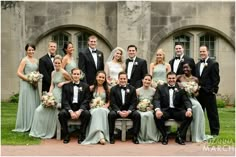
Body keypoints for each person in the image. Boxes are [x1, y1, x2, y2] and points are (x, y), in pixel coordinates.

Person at [29, 55, 71, 139]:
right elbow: (52, 85)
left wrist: (64, 83)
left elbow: (72, 80)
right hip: (53, 93)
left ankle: (52, 131)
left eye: (59, 63)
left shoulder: (64, 72)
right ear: (53, 63)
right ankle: (39, 130)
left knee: (53, 110)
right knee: (38, 110)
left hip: (60, 95)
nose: (57, 64)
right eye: (55, 63)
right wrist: (49, 94)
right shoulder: (53, 72)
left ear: (61, 63)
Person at [153, 72, 192, 145]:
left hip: (177, 110)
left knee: (189, 116)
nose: (171, 80)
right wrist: (158, 110)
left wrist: (189, 110)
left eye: (173, 78)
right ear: (167, 79)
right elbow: (156, 99)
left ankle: (179, 136)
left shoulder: (181, 88)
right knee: (157, 116)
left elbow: (186, 100)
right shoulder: (160, 88)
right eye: (169, 78)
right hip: (165, 110)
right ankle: (165, 136)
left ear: (176, 79)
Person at [177, 62, 212, 142]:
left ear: (191, 68)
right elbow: (173, 85)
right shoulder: (179, 77)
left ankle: (196, 134)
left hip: (191, 98)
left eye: (187, 67)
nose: (185, 69)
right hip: (182, 98)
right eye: (184, 68)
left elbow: (197, 94)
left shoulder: (195, 79)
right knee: (195, 106)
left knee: (197, 107)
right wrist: (179, 86)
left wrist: (194, 91)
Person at [58, 68, 91, 144]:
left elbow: (87, 100)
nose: (76, 76)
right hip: (69, 108)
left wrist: (80, 110)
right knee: (61, 114)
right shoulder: (66, 86)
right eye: (74, 74)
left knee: (87, 114)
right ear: (71, 75)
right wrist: (70, 111)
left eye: (77, 74)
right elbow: (64, 100)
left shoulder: (85, 86)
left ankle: (82, 135)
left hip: (80, 108)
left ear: (80, 75)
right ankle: (66, 135)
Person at [12, 44, 40, 132]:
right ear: (26, 51)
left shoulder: (36, 61)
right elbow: (19, 73)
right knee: (28, 103)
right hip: (26, 85)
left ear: (34, 50)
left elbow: (37, 72)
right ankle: (26, 124)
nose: (31, 51)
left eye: (32, 50)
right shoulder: (24, 60)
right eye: (29, 50)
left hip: (34, 85)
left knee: (34, 103)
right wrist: (29, 79)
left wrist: (36, 78)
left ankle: (33, 124)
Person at [108, 71, 140, 144]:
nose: (122, 80)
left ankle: (135, 136)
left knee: (137, 115)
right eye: (121, 78)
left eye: (124, 78)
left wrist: (129, 111)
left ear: (127, 79)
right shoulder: (113, 89)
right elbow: (113, 103)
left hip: (128, 110)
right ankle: (111, 136)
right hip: (118, 110)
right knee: (111, 114)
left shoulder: (132, 89)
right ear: (118, 79)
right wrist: (119, 111)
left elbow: (134, 102)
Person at [195, 45, 220, 136]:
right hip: (199, 93)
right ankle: (199, 131)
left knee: (212, 113)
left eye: (204, 51)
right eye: (200, 51)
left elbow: (216, 79)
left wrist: (213, 90)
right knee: (199, 113)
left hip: (209, 93)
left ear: (208, 52)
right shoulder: (197, 65)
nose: (202, 53)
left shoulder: (213, 63)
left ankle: (215, 132)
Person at [82, 71, 110, 145]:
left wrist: (106, 106)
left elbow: (109, 101)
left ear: (105, 79)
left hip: (104, 108)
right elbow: (88, 99)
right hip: (94, 108)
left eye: (103, 77)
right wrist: (91, 105)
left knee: (102, 111)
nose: (101, 79)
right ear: (96, 77)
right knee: (96, 111)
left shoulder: (107, 89)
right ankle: (100, 135)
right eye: (99, 77)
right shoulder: (91, 88)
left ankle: (100, 134)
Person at [136, 74, 161, 143]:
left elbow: (156, 101)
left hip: (150, 110)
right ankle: (142, 137)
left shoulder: (154, 91)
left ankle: (150, 136)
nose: (147, 81)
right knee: (142, 115)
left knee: (149, 115)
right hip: (140, 110)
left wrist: (152, 106)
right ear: (142, 80)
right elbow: (135, 102)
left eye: (149, 80)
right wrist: (138, 106)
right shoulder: (137, 90)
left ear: (151, 81)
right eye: (145, 79)